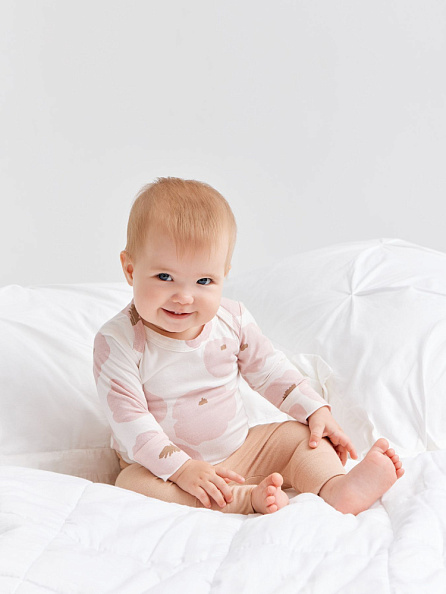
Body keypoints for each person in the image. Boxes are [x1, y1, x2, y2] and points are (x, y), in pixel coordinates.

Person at [93, 177, 404, 515]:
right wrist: (183, 470)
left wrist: (315, 409)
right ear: (130, 269)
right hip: (162, 467)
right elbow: (131, 422)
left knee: (297, 436)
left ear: (224, 275)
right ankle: (244, 499)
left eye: (204, 281)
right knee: (131, 484)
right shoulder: (118, 342)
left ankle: (337, 487)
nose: (184, 297)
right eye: (164, 277)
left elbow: (270, 370)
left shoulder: (233, 320)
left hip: (243, 451)